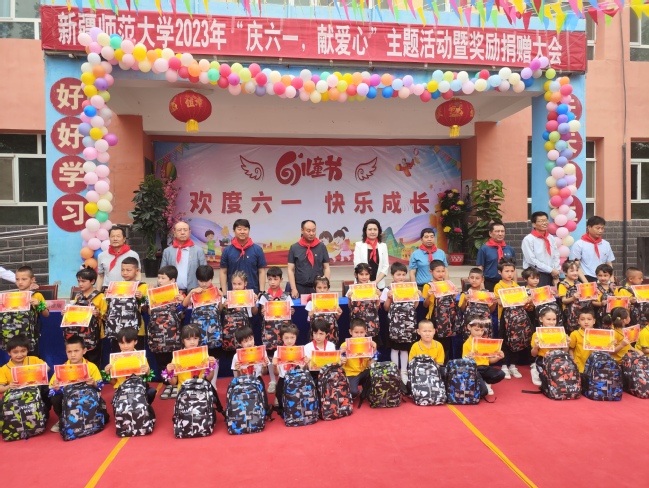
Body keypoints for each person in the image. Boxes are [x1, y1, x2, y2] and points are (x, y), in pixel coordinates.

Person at [49, 336, 105, 433]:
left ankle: (91, 417)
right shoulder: (62, 369)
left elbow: (100, 388)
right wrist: (55, 387)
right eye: (69, 352)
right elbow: (51, 389)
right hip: (70, 399)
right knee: (55, 398)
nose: (73, 354)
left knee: (105, 417)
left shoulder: (91, 366)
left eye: (76, 351)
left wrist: (94, 383)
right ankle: (63, 419)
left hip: (86, 398)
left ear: (84, 351)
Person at [182, 265, 223, 386]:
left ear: (211, 279)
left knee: (214, 357)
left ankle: (213, 383)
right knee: (200, 356)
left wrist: (221, 297)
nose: (204, 284)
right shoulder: (194, 292)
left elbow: (220, 309)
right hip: (198, 332)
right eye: (201, 281)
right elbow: (184, 304)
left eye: (207, 281)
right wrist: (191, 292)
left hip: (214, 331)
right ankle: (199, 382)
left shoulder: (215, 291)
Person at [382, 262, 420, 384]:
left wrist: (416, 297)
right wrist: (389, 297)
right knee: (394, 348)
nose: (401, 277)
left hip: (408, 324)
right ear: (392, 275)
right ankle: (395, 370)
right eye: (398, 274)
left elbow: (414, 306)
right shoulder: (388, 289)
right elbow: (386, 308)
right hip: (395, 325)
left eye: (404, 274)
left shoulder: (410, 287)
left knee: (404, 349)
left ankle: (404, 371)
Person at [494, 259, 532, 380]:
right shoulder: (498, 286)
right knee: (505, 341)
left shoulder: (517, 286)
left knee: (517, 341)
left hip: (517, 320)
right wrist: (509, 298)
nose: (510, 274)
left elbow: (524, 302)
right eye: (507, 271)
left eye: (512, 271)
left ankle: (513, 365)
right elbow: (499, 302)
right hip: (505, 318)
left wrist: (527, 300)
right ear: (500, 272)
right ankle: (504, 365)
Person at [258, 266, 294, 393]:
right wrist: (263, 312)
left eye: (275, 279)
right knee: (270, 356)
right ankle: (273, 381)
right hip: (269, 331)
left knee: (282, 355)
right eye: (270, 279)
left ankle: (282, 379)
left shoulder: (286, 296)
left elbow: (291, 311)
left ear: (281, 280)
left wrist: (291, 311)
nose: (272, 282)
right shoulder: (264, 296)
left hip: (282, 331)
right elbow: (261, 312)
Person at [152, 265, 185, 400]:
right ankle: (167, 385)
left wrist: (181, 303)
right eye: (159, 278)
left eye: (163, 278)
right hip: (157, 336)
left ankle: (175, 384)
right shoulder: (153, 293)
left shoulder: (179, 294)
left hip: (173, 337)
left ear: (172, 280)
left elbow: (182, 315)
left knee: (173, 361)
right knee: (162, 362)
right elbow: (148, 311)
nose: (160, 281)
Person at [1, 265, 49, 354]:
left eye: (24, 279)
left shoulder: (37, 295)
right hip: (12, 338)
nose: (20, 282)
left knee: (31, 358)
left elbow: (46, 314)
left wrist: (39, 304)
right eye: (17, 279)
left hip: (29, 338)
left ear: (32, 279)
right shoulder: (11, 297)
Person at [104, 257, 148, 352]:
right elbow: (109, 307)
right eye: (122, 270)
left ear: (137, 271)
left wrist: (141, 298)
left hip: (136, 330)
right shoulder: (116, 286)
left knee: (136, 356)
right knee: (117, 355)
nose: (125, 273)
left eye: (128, 270)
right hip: (117, 330)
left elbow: (146, 309)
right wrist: (107, 297)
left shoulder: (143, 286)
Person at [104, 328, 156, 405]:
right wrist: (108, 374)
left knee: (151, 392)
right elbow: (113, 383)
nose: (125, 346)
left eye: (128, 342)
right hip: (122, 390)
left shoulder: (141, 358)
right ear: (118, 343)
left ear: (135, 341)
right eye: (122, 343)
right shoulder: (115, 359)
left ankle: (146, 406)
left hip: (138, 389)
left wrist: (147, 372)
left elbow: (146, 380)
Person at [68, 267, 106, 369]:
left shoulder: (100, 296)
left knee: (93, 361)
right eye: (79, 281)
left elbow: (107, 315)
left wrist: (99, 313)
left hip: (94, 335)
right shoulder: (78, 296)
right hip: (79, 333)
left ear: (92, 281)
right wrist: (67, 313)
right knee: (80, 360)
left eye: (83, 281)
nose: (80, 284)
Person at [219, 219, 267, 295]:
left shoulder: (257, 249)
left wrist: (261, 291)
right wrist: (224, 294)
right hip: (233, 294)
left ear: (249, 231)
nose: (242, 232)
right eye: (239, 229)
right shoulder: (227, 251)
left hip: (253, 294)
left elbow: (261, 271)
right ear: (234, 231)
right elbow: (223, 272)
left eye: (245, 229)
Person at [0, 335, 51, 406]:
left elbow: (48, 368)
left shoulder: (33, 359)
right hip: (17, 396)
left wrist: (35, 372)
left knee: (45, 387)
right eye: (15, 352)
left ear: (27, 350)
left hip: (36, 392)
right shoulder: (4, 369)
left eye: (23, 351)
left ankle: (44, 409)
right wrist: (8, 386)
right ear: (9, 353)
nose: (19, 355)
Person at [423, 260, 457, 362]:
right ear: (431, 272)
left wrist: (454, 296)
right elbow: (425, 305)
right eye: (438, 271)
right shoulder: (428, 286)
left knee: (446, 345)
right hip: (434, 319)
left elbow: (451, 303)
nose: (441, 274)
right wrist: (428, 296)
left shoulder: (448, 285)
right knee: (434, 343)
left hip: (447, 320)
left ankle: (444, 365)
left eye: (443, 271)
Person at [463, 316, 506, 397]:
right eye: (477, 330)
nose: (479, 333)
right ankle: (480, 384)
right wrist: (468, 357)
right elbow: (464, 363)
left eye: (482, 330)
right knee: (483, 392)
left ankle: (486, 382)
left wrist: (498, 357)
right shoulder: (467, 344)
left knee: (501, 374)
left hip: (485, 368)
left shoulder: (485, 342)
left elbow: (489, 361)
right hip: (475, 369)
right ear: (469, 327)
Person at [165, 324, 218, 390]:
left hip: (200, 390)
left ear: (199, 339)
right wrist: (169, 372)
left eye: (195, 338)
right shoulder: (178, 357)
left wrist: (211, 367)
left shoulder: (203, 354)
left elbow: (209, 379)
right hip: (184, 391)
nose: (192, 342)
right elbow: (173, 383)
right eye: (188, 339)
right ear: (183, 340)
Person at [160, 221, 207, 294]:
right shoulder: (168, 251)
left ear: (189, 232)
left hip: (194, 291)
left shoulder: (198, 251)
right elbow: (162, 273)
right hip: (173, 291)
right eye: (179, 230)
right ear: (174, 233)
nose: (182, 233)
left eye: (185, 230)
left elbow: (204, 272)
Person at [287, 220, 330, 297]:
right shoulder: (294, 248)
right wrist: (293, 288)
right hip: (300, 287)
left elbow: (326, 267)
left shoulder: (321, 247)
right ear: (302, 230)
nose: (311, 233)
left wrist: (326, 287)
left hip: (317, 288)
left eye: (314, 230)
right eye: (308, 231)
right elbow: (290, 269)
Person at [570, 216, 615, 283]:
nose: (600, 231)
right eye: (597, 228)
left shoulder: (606, 244)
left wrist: (612, 281)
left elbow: (609, 264)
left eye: (602, 228)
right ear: (589, 227)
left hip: (603, 278)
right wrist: (586, 283)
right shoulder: (579, 244)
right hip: (586, 277)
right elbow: (576, 265)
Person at [530, 308, 567, 386]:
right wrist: (536, 347)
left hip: (557, 359)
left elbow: (565, 352)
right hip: (543, 359)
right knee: (545, 380)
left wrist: (567, 344)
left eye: (554, 319)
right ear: (541, 319)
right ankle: (535, 371)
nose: (552, 322)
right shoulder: (536, 334)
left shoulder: (560, 333)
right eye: (548, 319)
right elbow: (533, 354)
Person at [340, 319, 377, 399]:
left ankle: (366, 390)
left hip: (364, 371)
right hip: (351, 373)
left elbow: (373, 363)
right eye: (356, 332)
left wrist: (374, 351)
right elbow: (339, 364)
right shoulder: (345, 345)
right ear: (350, 332)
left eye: (361, 332)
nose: (359, 335)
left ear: (366, 331)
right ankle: (349, 387)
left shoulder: (369, 344)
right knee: (353, 392)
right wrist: (341, 354)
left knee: (376, 373)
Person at [221, 270, 258, 352]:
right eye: (234, 284)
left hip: (244, 332)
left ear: (245, 283)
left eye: (239, 284)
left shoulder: (250, 295)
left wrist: (254, 303)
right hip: (230, 333)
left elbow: (255, 312)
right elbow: (223, 312)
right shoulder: (227, 297)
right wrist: (224, 306)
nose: (236, 287)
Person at [272, 323, 304, 413]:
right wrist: (275, 366)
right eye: (286, 338)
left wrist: (303, 365)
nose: (289, 341)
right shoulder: (277, 352)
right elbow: (276, 373)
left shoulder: (300, 351)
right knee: (283, 405)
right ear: (281, 338)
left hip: (297, 379)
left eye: (292, 337)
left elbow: (303, 370)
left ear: (296, 337)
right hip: (283, 379)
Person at [521, 212, 560, 287]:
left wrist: (556, 273)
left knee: (553, 294)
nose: (544, 223)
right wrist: (550, 270)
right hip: (536, 275)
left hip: (552, 274)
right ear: (534, 224)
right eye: (541, 221)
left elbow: (556, 255)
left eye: (546, 220)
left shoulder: (550, 237)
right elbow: (531, 260)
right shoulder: (528, 239)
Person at [96, 225, 140, 290]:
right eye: (112, 236)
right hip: (108, 289)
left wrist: (136, 289)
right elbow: (100, 276)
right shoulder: (102, 255)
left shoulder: (133, 254)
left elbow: (137, 273)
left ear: (124, 239)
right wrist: (97, 293)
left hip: (127, 288)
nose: (115, 239)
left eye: (118, 236)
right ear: (109, 238)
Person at [347, 263, 382, 346]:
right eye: (361, 274)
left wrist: (378, 297)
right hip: (358, 324)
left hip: (371, 322)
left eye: (366, 274)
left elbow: (376, 308)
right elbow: (350, 307)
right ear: (356, 275)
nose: (364, 277)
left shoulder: (374, 288)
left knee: (372, 347)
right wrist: (349, 298)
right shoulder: (352, 289)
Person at [476, 222, 516, 292]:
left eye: (502, 231)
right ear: (490, 233)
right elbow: (480, 268)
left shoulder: (509, 249)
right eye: (497, 231)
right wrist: (482, 286)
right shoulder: (484, 249)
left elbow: (514, 268)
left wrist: (515, 285)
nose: (500, 234)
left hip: (507, 284)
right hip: (490, 283)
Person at [353, 218, 389, 289]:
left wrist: (375, 282)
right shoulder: (359, 245)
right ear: (365, 231)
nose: (372, 232)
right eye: (370, 229)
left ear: (378, 231)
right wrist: (367, 282)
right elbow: (357, 265)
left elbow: (385, 266)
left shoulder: (383, 246)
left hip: (379, 284)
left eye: (375, 229)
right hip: (362, 284)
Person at [459, 268, 495, 339]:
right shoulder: (465, 294)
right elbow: (462, 310)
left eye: (477, 278)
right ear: (468, 279)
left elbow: (490, 311)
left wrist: (494, 303)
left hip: (484, 324)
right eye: (472, 278)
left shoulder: (486, 294)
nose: (474, 280)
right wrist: (465, 300)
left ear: (482, 280)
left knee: (484, 343)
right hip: (471, 324)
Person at [306, 276, 342, 344]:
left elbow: (335, 318)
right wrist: (310, 316)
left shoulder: (332, 301)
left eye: (325, 287)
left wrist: (338, 314)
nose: (322, 290)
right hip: (317, 333)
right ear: (314, 288)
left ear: (328, 288)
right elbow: (309, 320)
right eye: (319, 288)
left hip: (331, 332)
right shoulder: (311, 302)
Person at [558, 260, 590, 335]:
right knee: (572, 332)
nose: (575, 273)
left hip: (581, 312)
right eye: (572, 271)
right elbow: (564, 300)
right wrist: (573, 298)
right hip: (570, 314)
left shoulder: (579, 283)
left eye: (576, 270)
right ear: (565, 272)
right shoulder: (562, 284)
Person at [304, 319, 336, 389]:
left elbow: (333, 364)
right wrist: (306, 363)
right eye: (315, 333)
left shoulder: (331, 346)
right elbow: (306, 368)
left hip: (328, 373)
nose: (318, 336)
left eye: (321, 334)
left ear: (327, 334)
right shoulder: (307, 347)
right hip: (313, 375)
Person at [568, 307, 596, 373]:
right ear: (578, 321)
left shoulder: (599, 334)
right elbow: (571, 349)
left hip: (594, 367)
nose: (586, 322)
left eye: (589, 319)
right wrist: (573, 361)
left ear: (594, 321)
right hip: (579, 367)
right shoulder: (575, 334)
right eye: (582, 319)